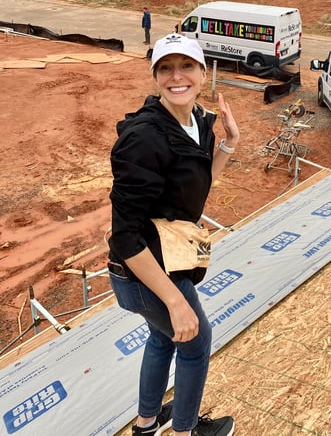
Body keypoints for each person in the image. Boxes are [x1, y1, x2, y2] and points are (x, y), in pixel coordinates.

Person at [107, 33, 239, 436]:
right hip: (144, 273)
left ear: (203, 73)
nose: (176, 76)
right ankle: (184, 431)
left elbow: (194, 191)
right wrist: (175, 301)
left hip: (172, 257)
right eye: (166, 67)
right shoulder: (143, 139)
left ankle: (146, 425)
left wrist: (229, 145)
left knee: (163, 340)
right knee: (195, 345)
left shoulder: (199, 121)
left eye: (186, 67)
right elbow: (125, 236)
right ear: (155, 76)